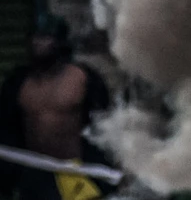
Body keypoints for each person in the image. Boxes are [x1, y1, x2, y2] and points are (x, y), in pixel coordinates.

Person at [1, 16, 114, 200]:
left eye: (45, 38)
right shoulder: (18, 83)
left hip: (76, 170)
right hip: (36, 172)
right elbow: (7, 128)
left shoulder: (81, 79)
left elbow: (103, 122)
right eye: (35, 38)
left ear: (59, 42)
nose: (38, 43)